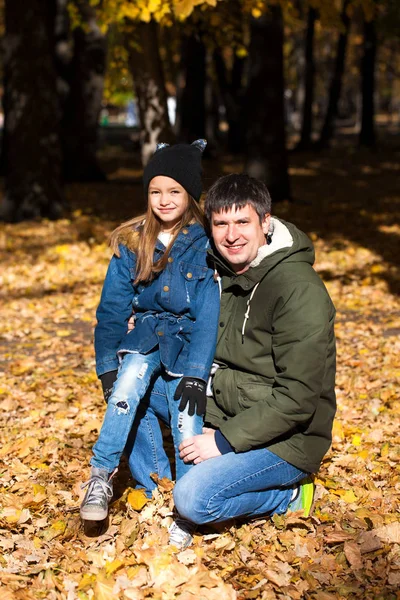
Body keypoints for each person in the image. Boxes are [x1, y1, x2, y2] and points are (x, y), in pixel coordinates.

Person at [124, 173, 336, 549]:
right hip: (223, 404)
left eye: (243, 222)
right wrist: (143, 325)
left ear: (265, 222)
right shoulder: (214, 271)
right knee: (129, 387)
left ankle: (285, 497)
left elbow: (298, 398)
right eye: (221, 224)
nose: (231, 235)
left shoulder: (297, 290)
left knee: (195, 500)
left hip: (288, 439)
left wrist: (222, 442)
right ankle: (157, 488)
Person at [80, 140, 220, 544]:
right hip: (142, 337)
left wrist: (196, 374)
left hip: (187, 345)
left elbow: (209, 313)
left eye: (174, 191)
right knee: (125, 391)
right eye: (155, 191)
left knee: (186, 421)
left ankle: (187, 507)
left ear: (190, 194)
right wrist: (107, 364)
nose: (164, 200)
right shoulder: (132, 242)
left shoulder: (206, 244)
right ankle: (102, 476)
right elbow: (110, 310)